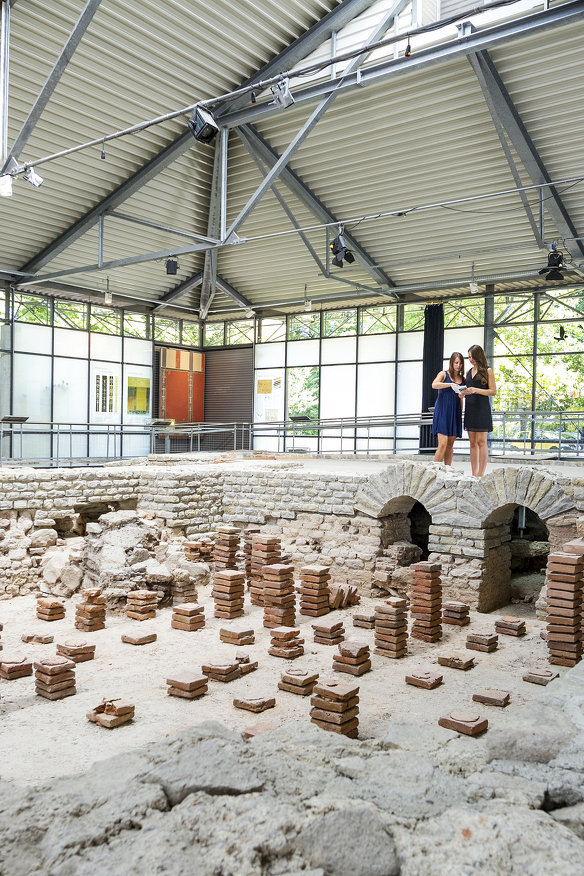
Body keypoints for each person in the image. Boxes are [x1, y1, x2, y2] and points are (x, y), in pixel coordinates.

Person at [464, 344, 497, 477]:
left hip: (482, 409)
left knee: (481, 442)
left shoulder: (487, 370)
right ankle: (474, 473)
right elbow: (468, 390)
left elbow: (493, 391)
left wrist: (476, 390)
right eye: (469, 357)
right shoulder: (468, 372)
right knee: (472, 443)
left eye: (472, 357)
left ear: (478, 356)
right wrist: (463, 393)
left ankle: (481, 473)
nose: (470, 359)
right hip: (470, 408)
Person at [431, 352, 466, 465]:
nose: (458, 365)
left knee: (450, 445)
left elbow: (461, 399)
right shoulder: (443, 374)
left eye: (460, 363)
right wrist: (450, 384)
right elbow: (434, 385)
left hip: (455, 412)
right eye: (456, 362)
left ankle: (447, 470)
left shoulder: (463, 379)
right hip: (442, 411)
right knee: (442, 444)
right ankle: (435, 471)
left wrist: (461, 398)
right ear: (452, 363)